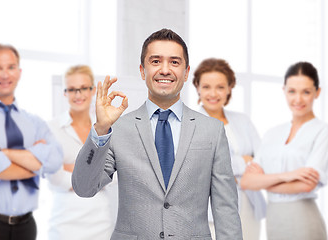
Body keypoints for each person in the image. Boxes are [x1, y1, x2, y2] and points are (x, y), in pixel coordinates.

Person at [71, 28, 242, 240]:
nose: (165, 69)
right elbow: (84, 188)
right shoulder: (118, 129)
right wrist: (101, 129)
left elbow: (226, 210)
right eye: (155, 61)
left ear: (186, 72)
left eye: (174, 62)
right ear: (142, 71)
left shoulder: (212, 131)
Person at [240, 61, 328, 240]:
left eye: (306, 92)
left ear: (317, 92)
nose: (298, 99)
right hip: (274, 221)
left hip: (304, 220)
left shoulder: (324, 132)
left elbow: (307, 184)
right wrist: (288, 176)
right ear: (284, 90)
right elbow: (246, 182)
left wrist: (262, 180)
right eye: (292, 91)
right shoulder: (272, 134)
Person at [0, 43, 63, 240]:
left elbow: (55, 160)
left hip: (26, 227)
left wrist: (2, 153)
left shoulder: (34, 122)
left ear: (19, 72)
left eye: (10, 67)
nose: (5, 75)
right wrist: (35, 160)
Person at [192, 58, 266, 240]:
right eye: (207, 86)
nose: (213, 93)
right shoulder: (191, 124)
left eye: (220, 87)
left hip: (249, 204)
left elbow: (263, 159)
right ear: (197, 88)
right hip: (210, 209)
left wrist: (227, 167)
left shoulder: (243, 120)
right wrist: (244, 161)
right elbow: (201, 165)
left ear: (229, 88)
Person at [47, 65, 116, 240]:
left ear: (92, 90)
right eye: (72, 89)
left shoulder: (106, 126)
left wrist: (72, 168)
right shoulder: (52, 128)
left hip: (99, 217)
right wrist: (94, 171)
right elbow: (53, 175)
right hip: (64, 218)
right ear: (65, 93)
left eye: (83, 88)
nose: (78, 95)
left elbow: (116, 172)